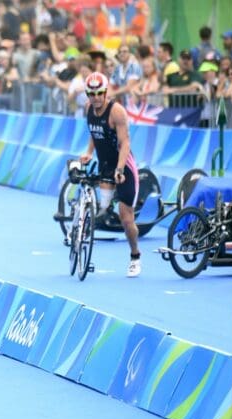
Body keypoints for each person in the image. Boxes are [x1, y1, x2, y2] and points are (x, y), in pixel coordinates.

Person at [80, 72, 142, 277]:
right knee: (103, 207)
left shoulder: (117, 112)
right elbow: (95, 132)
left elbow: (125, 143)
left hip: (124, 166)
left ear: (105, 92)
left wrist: (120, 169)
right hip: (105, 164)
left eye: (99, 93)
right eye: (91, 93)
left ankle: (135, 255)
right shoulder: (88, 108)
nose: (95, 97)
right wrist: (89, 153)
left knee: (126, 219)